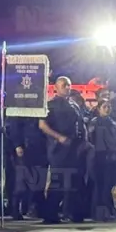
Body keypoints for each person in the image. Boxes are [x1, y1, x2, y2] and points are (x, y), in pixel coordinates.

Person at [40, 77, 87, 223]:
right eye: (63, 85)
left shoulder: (74, 104)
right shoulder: (50, 105)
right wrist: (58, 137)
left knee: (75, 180)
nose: (67, 87)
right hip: (58, 148)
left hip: (75, 147)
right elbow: (42, 125)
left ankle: (74, 213)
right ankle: (51, 214)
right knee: (58, 180)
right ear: (56, 87)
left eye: (68, 85)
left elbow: (81, 124)